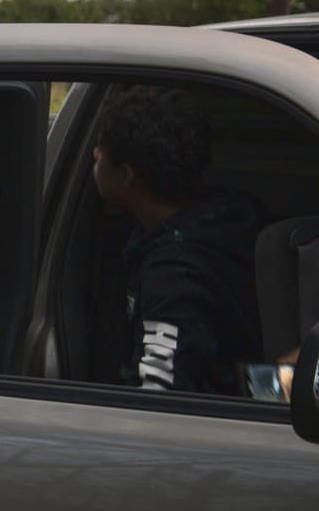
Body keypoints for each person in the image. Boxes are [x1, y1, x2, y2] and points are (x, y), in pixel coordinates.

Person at [91, 84, 261, 395]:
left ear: (126, 176)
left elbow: (157, 395)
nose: (95, 154)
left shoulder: (173, 277)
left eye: (102, 149)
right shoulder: (227, 220)